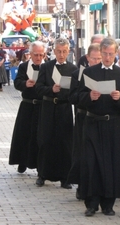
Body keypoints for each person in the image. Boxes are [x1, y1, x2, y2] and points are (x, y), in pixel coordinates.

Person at [78, 37, 120, 217]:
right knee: (91, 164)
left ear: (116, 54)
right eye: (105, 54)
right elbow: (75, 96)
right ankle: (91, 203)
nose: (108, 57)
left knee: (112, 164)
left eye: (111, 54)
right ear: (100, 53)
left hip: (114, 125)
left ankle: (108, 204)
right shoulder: (89, 72)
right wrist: (89, 97)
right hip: (93, 123)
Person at [35, 37, 78, 189]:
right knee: (46, 140)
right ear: (54, 51)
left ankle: (65, 177)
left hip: (64, 108)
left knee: (65, 142)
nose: (61, 54)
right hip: (48, 107)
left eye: (64, 51)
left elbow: (75, 92)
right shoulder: (46, 67)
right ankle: (42, 174)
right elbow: (38, 88)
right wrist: (50, 89)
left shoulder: (73, 69)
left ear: (68, 51)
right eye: (59, 51)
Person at [67, 43, 102, 199]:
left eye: (99, 58)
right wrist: (88, 97)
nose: (96, 61)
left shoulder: (105, 74)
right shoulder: (77, 75)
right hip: (83, 117)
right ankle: (82, 186)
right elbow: (72, 97)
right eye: (94, 58)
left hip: (101, 119)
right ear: (88, 58)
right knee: (82, 154)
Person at [9, 41, 46, 173]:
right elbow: (17, 82)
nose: (38, 58)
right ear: (30, 54)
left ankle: (38, 164)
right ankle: (22, 161)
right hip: (27, 105)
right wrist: (25, 84)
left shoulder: (46, 67)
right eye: (36, 54)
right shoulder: (24, 66)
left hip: (42, 107)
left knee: (39, 136)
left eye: (41, 55)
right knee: (24, 134)